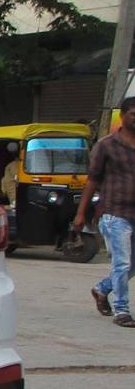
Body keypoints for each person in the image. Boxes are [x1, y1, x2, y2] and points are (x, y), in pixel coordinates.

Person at [76, 98, 135, 327]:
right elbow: (92, 181)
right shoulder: (106, 145)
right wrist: (80, 214)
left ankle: (102, 289)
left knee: (131, 265)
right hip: (114, 212)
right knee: (121, 263)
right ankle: (122, 311)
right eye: (133, 113)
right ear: (122, 116)